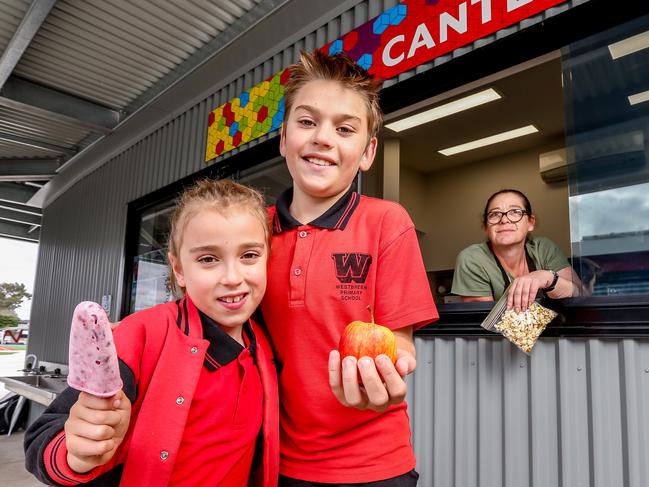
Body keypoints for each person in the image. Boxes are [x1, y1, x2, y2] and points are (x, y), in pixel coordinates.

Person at [24, 179, 279, 486]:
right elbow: (42, 437)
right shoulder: (142, 334)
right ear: (179, 270)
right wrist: (76, 451)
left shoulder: (264, 344)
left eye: (249, 255)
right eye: (208, 259)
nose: (233, 277)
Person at [260, 49, 439, 486]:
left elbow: (400, 344)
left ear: (367, 152)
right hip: (269, 459)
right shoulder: (252, 232)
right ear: (283, 138)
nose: (323, 138)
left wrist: (393, 370)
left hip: (372, 465)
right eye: (306, 122)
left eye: (344, 129)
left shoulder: (387, 222)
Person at [451, 188, 582, 312]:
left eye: (515, 212)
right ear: (486, 227)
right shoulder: (472, 258)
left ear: (530, 222)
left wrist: (548, 278)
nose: (504, 219)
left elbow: (579, 293)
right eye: (494, 214)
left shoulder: (544, 248)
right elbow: (485, 322)